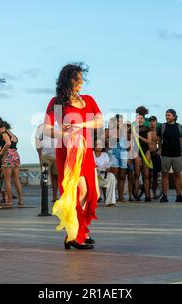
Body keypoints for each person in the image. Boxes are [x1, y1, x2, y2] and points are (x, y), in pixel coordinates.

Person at [44, 63, 103, 250]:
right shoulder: (57, 102)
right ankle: (74, 235)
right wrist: (65, 135)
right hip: (69, 151)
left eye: (81, 78)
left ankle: (81, 231)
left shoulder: (88, 99)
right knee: (79, 191)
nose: (81, 81)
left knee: (94, 193)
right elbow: (46, 129)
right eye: (77, 78)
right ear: (67, 80)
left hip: (86, 150)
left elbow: (99, 120)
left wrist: (80, 125)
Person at [159, 109, 182, 203]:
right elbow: (159, 139)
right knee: (164, 174)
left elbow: (181, 139)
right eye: (166, 115)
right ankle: (165, 195)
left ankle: (179, 195)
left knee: (177, 174)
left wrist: (181, 151)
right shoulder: (163, 126)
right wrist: (160, 149)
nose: (167, 117)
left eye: (169, 115)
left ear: (174, 116)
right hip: (165, 154)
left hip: (177, 154)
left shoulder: (179, 127)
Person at [0, 121, 24, 207]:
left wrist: (1, 152)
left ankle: (10, 201)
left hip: (8, 155)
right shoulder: (13, 134)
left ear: (2, 127)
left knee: (7, 180)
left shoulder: (5, 134)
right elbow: (12, 143)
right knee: (16, 179)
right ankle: (21, 200)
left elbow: (8, 143)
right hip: (15, 155)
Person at [132, 106, 152, 202]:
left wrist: (139, 136)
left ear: (144, 119)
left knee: (146, 175)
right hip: (136, 151)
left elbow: (149, 141)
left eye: (141, 118)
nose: (139, 120)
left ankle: (147, 195)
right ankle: (136, 195)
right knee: (136, 174)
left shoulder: (147, 128)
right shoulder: (133, 128)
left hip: (145, 151)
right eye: (138, 118)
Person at [108, 114, 129, 202]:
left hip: (123, 153)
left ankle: (120, 196)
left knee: (122, 176)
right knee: (114, 176)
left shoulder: (125, 131)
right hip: (114, 153)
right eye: (117, 121)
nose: (118, 122)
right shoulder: (110, 130)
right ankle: (112, 196)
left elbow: (129, 145)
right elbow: (106, 142)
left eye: (120, 120)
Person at [35, 123, 59, 203]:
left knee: (55, 176)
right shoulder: (41, 126)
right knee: (44, 176)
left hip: (57, 155)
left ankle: (55, 196)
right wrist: (40, 155)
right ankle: (44, 197)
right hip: (46, 156)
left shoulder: (57, 127)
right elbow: (37, 139)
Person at [94, 140, 117, 207]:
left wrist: (107, 168)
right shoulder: (90, 154)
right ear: (94, 146)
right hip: (92, 177)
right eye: (97, 144)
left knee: (111, 176)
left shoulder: (105, 155)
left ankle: (110, 201)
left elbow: (107, 166)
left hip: (101, 175)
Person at [148, 116, 162, 199]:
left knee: (155, 175)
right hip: (147, 153)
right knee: (148, 174)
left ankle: (154, 193)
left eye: (153, 121)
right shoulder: (147, 131)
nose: (152, 123)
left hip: (156, 153)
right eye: (151, 121)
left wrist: (160, 150)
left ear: (156, 122)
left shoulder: (158, 132)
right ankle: (148, 192)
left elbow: (161, 143)